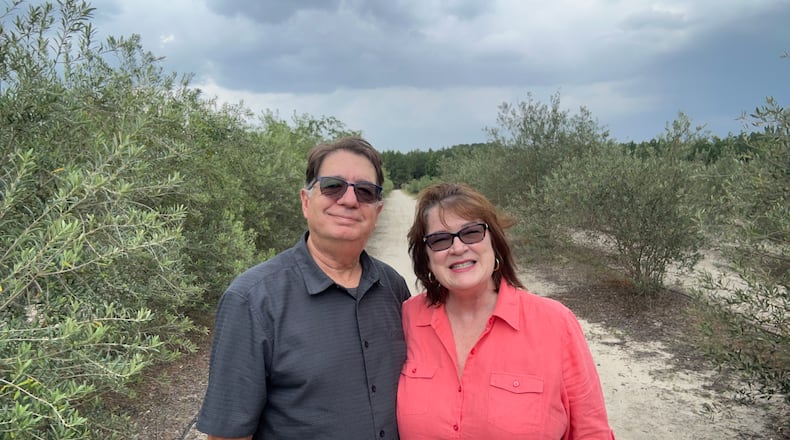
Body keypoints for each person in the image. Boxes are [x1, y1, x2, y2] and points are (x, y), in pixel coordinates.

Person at [196, 136, 411, 440]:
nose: (349, 200)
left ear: (376, 212)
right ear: (305, 202)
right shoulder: (252, 300)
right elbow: (228, 435)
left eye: (364, 191)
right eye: (333, 186)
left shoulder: (394, 288)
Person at [398, 183, 615, 439]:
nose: (457, 248)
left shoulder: (555, 324)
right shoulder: (408, 318)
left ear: (494, 242)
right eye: (440, 239)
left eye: (471, 233)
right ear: (426, 257)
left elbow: (591, 431)